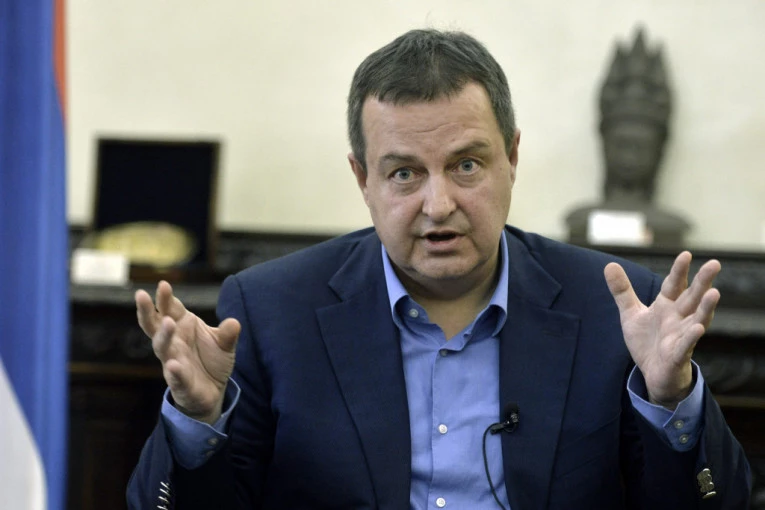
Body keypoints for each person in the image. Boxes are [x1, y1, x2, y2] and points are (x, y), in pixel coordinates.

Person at [127, 29, 751, 509]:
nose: (438, 204)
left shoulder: (618, 309)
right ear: (362, 179)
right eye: (404, 173)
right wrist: (197, 421)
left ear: (512, 158)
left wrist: (672, 400)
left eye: (466, 165)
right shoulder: (271, 311)